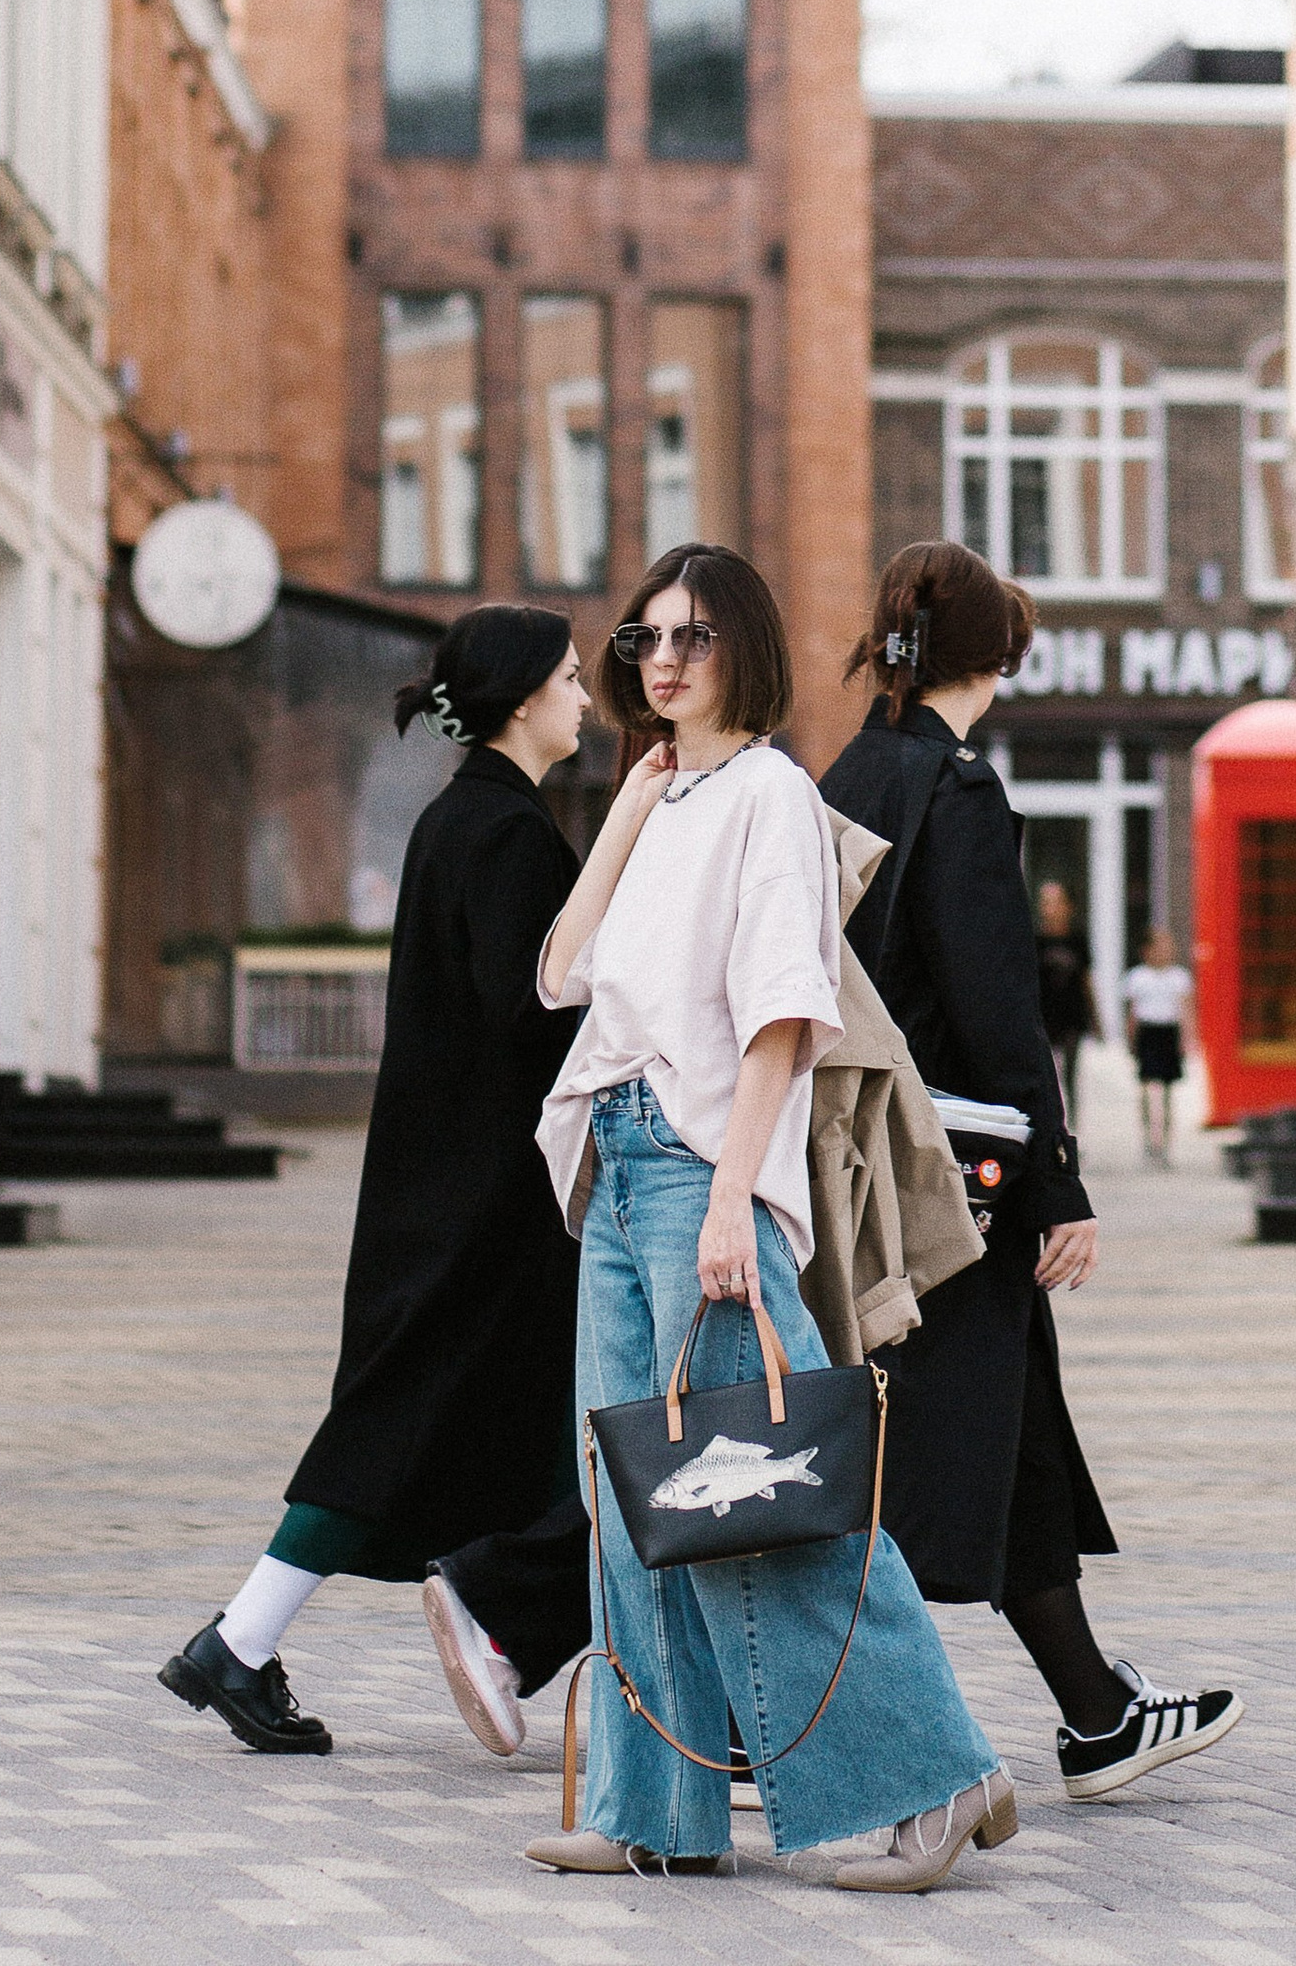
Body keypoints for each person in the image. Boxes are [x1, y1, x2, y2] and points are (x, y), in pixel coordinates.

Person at [525, 542, 1013, 1893]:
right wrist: (628, 806)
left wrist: (736, 1195)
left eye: (692, 637)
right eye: (644, 643)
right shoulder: (673, 798)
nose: (665, 661)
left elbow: (785, 1011)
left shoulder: (772, 798)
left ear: (747, 645)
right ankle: (654, 1812)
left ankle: (944, 1774)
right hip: (614, 1168)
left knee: (768, 1495)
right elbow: (564, 972)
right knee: (635, 1501)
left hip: (699, 1170)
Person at [823, 545, 1242, 1804]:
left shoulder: (845, 773)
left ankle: (1098, 1712)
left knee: (1004, 1434)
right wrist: (1059, 1178)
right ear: (1001, 657)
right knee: (918, 1439)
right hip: (960, 1173)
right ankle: (767, 1716)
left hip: (863, 1152)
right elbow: (999, 1007)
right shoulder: (954, 789)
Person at [161, 607, 593, 1758]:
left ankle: (268, 1640)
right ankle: (260, 1641)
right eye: (568, 677)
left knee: (462, 1424)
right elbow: (533, 1004)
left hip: (462, 1185)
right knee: (414, 1426)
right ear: (518, 699)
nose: (587, 695)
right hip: (488, 1196)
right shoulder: (502, 831)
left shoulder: (474, 818)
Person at [1123, 929, 1194, 1165]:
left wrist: (1186, 1039)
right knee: (1145, 1089)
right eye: (1161, 946)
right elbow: (1132, 1013)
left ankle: (1164, 1144)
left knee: (1167, 1094)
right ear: (1148, 950)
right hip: (1148, 1032)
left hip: (1168, 1033)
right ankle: (1147, 1140)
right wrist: (1131, 1039)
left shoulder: (1180, 977)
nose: (1167, 951)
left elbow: (1186, 1011)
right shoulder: (1137, 977)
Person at [1035, 879, 1098, 1124]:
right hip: (1044, 1015)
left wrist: (1095, 1018)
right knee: (1046, 1073)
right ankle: (1049, 1120)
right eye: (1045, 902)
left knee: (1071, 1072)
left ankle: (1071, 1122)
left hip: (1071, 1013)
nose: (1049, 908)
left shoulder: (1076, 940)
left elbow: (1086, 979)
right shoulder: (1035, 939)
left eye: (1055, 902)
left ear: (1067, 906)